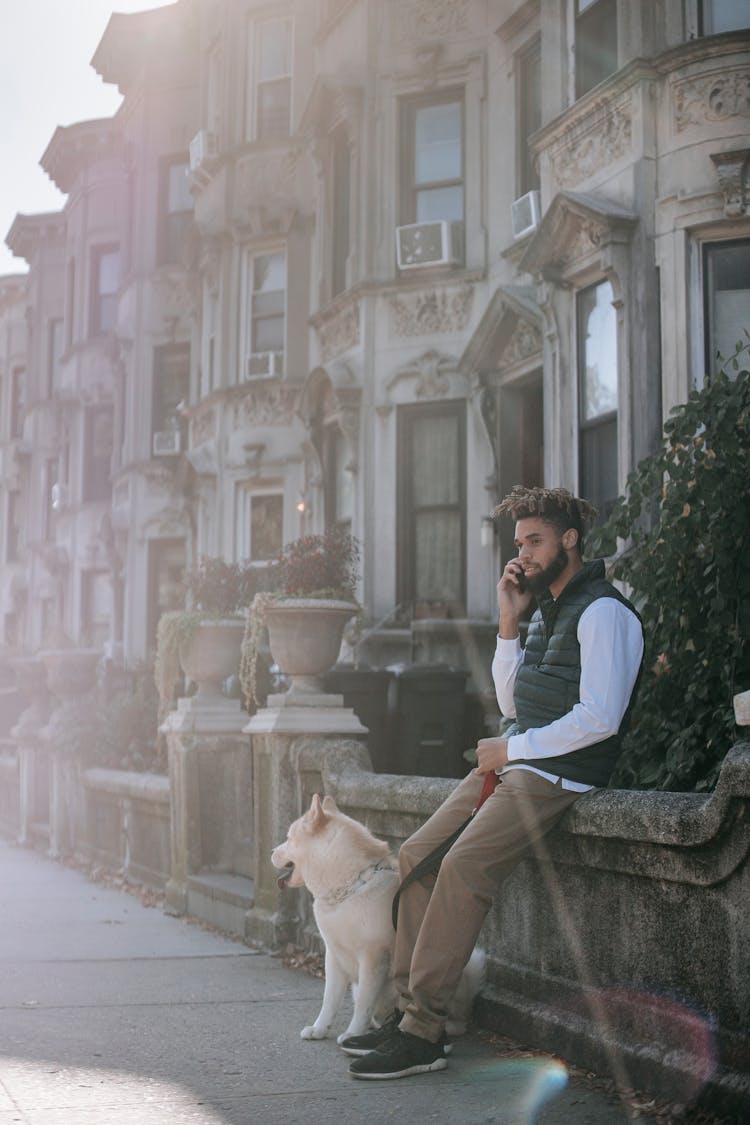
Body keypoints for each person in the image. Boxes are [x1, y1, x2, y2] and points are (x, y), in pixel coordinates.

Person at [344, 486, 644, 1080]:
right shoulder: (545, 613)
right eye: (519, 544)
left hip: (561, 774)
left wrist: (512, 748)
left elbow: (601, 718)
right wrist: (509, 622)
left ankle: (424, 1031)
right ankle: (407, 1010)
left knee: (462, 869)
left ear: (570, 539)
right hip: (517, 762)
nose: (524, 555)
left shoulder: (605, 612)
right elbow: (511, 700)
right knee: (417, 856)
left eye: (535, 541)